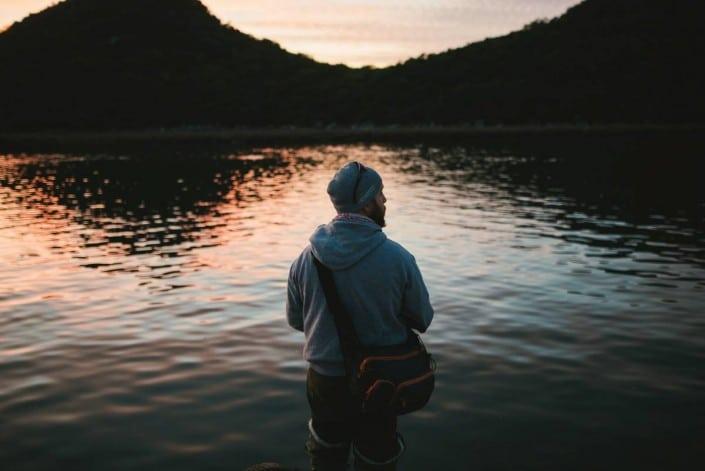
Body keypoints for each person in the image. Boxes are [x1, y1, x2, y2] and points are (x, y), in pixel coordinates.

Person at [286, 161, 434, 470]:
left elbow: (297, 321)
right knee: (376, 458)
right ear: (367, 203)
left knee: (327, 455)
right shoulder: (398, 258)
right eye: (380, 194)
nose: (385, 200)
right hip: (380, 380)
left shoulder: (304, 259)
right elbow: (422, 318)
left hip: (325, 380)